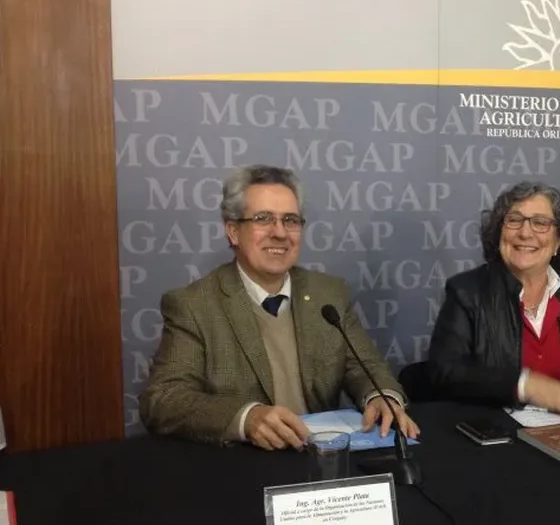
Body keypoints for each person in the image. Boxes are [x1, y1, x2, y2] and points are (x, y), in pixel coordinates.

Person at [140, 165, 419, 450]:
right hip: (241, 465)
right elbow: (163, 399)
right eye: (263, 219)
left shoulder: (329, 293)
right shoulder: (194, 305)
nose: (280, 233)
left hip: (321, 462)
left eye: (290, 220)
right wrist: (246, 418)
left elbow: (366, 367)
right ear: (233, 231)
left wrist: (380, 396)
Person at [427, 182, 560, 415]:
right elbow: (446, 371)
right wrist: (528, 386)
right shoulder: (467, 291)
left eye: (540, 223)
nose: (525, 233)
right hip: (496, 431)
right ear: (499, 234)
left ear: (558, 242)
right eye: (514, 220)